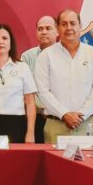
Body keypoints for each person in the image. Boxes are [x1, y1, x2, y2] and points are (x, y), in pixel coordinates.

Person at [34, 9, 93, 144]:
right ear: (57, 28)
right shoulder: (46, 55)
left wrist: (81, 115)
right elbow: (43, 91)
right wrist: (64, 114)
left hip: (87, 124)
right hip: (55, 124)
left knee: (88, 164)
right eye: (64, 24)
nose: (69, 28)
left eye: (73, 23)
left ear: (80, 26)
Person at [21, 15, 58, 143]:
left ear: (57, 31)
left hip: (58, 117)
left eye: (48, 28)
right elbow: (24, 88)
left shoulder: (65, 55)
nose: (44, 32)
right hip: (35, 117)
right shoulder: (27, 56)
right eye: (40, 29)